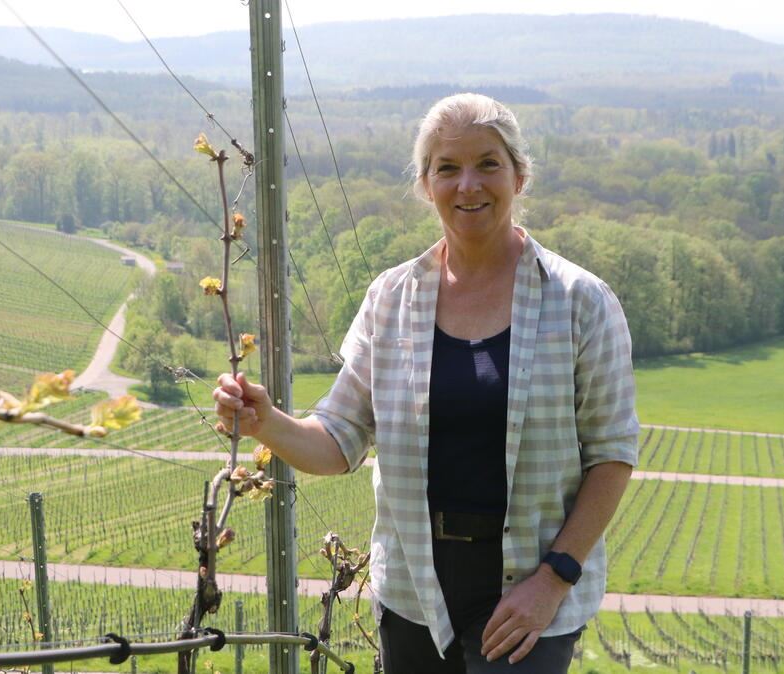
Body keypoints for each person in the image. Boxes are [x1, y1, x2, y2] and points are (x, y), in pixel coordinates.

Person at [214, 93, 639, 673]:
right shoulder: (390, 298)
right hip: (414, 592)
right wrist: (266, 422)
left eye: (488, 163)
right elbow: (338, 439)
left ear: (519, 175)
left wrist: (553, 580)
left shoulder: (581, 302)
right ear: (425, 183)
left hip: (526, 598)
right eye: (448, 167)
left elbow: (612, 456)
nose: (469, 184)